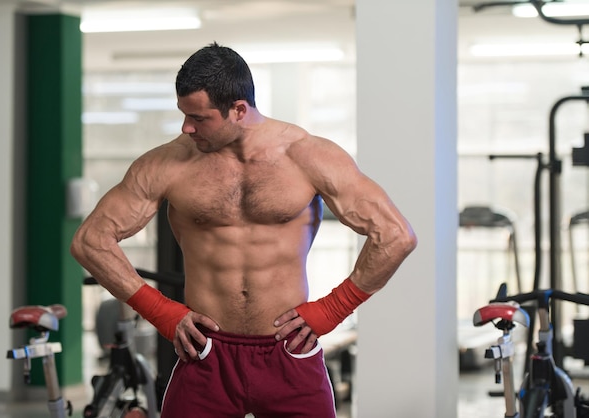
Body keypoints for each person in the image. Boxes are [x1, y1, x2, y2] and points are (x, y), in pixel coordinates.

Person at [70, 42, 417, 418]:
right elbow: (91, 241)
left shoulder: (308, 157)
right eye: (184, 115)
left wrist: (333, 309)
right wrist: (162, 313)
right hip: (204, 352)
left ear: (239, 110)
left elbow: (395, 235)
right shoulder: (168, 163)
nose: (187, 127)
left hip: (288, 350)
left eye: (199, 118)